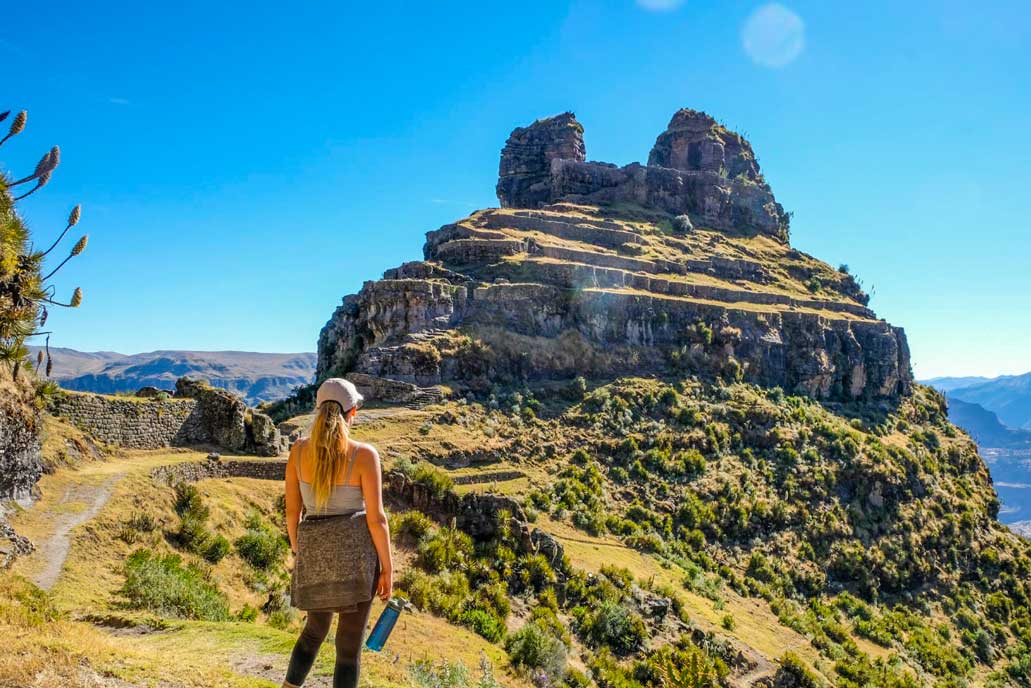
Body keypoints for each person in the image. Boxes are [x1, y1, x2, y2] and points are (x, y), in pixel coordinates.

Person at [282, 378, 393, 688]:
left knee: (312, 634)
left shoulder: (299, 451)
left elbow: (293, 512)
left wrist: (299, 551)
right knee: (348, 648)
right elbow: (377, 520)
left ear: (318, 411)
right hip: (357, 561)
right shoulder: (364, 455)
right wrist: (387, 568)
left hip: (314, 555)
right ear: (352, 412)